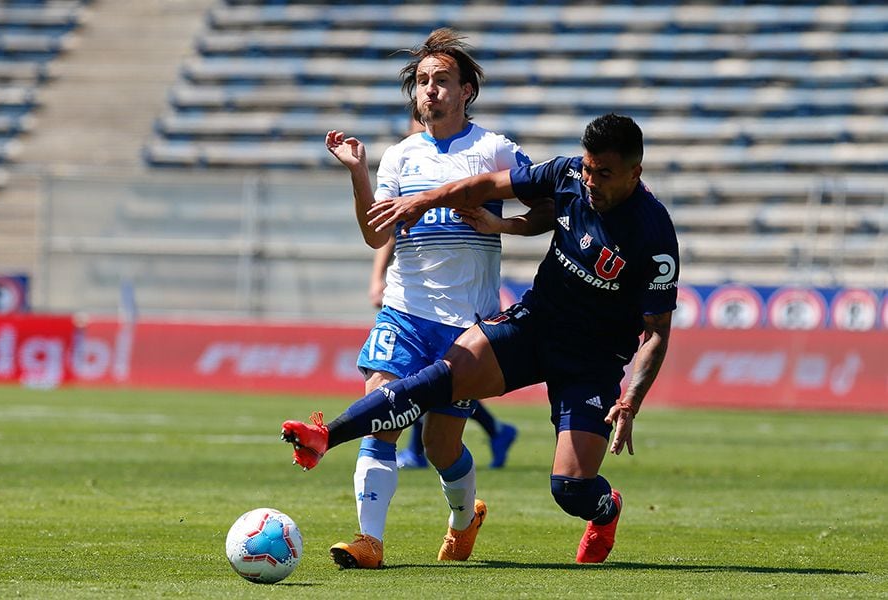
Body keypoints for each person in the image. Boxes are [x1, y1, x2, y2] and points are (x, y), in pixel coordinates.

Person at [283, 113, 679, 564]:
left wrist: (629, 402)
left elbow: (656, 332)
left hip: (594, 360)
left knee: (570, 489)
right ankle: (325, 436)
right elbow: (487, 187)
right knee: (443, 376)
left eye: (603, 173)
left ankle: (606, 511)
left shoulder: (654, 233)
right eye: (588, 168)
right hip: (536, 324)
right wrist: (421, 203)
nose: (590, 180)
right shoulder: (566, 172)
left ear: (635, 173)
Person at [319, 29, 553, 570]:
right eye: (423, 82)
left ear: (466, 90)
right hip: (405, 312)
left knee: (441, 447)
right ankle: (368, 541)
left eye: (442, 81)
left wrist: (502, 225)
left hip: (465, 325)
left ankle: (464, 519)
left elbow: (548, 206)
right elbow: (377, 236)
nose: (431, 91)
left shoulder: (493, 149)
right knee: (381, 416)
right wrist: (358, 173)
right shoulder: (399, 157)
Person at [369, 235, 519, 471]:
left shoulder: (455, 201)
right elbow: (389, 231)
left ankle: (420, 452)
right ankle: (495, 431)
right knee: (432, 381)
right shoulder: (410, 201)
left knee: (437, 382)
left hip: (454, 304)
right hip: (419, 301)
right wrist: (378, 278)